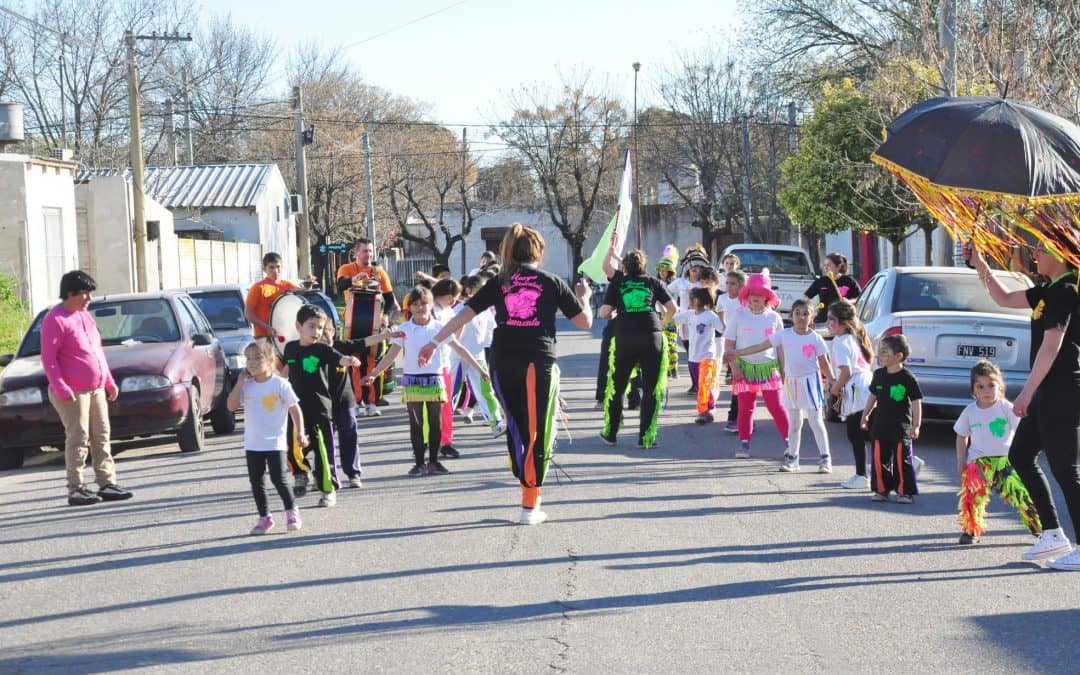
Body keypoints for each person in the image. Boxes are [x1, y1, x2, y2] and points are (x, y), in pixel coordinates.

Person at [418, 223, 593, 525]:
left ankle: (527, 491)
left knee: (517, 426)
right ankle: (530, 504)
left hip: (503, 362)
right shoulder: (551, 281)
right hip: (537, 362)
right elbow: (584, 322)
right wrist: (586, 296)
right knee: (537, 430)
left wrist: (434, 342)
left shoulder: (500, 282)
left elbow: (464, 314)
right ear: (538, 251)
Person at [967, 241, 1080, 568]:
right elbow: (1002, 297)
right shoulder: (1047, 289)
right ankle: (1053, 533)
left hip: (1062, 390)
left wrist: (1027, 392)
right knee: (1020, 454)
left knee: (1064, 468)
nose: (1035, 255)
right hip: (1047, 389)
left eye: (1041, 250)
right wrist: (980, 263)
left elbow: (1051, 346)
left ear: (1061, 253)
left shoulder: (1067, 291)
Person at [365, 288, 488, 476]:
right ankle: (418, 463)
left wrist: (480, 370)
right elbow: (391, 356)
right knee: (416, 424)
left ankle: (434, 461)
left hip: (435, 380)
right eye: (415, 304)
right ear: (410, 307)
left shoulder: (440, 327)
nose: (420, 307)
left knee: (435, 423)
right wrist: (374, 373)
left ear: (431, 305)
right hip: (412, 381)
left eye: (423, 303)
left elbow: (460, 349)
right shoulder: (404, 329)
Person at [41, 270, 133, 506]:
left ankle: (107, 483)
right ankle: (76, 488)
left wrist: (109, 381)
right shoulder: (56, 319)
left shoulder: (85, 317)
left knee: (102, 435)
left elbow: (97, 353)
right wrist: (61, 387)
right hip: (72, 392)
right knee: (78, 437)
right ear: (70, 293)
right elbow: (49, 359)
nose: (89, 299)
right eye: (85, 293)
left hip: (96, 388)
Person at [731, 299, 833, 473]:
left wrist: (833, 382)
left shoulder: (816, 338)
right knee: (794, 423)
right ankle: (793, 458)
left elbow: (824, 363)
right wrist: (737, 352)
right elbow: (760, 346)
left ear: (812, 317)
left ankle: (825, 459)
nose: (801, 317)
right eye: (797, 313)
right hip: (791, 383)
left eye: (806, 314)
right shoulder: (784, 335)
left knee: (816, 422)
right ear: (791, 316)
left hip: (810, 383)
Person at [954, 359, 1041, 544]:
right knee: (972, 497)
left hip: (1005, 461)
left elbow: (1021, 432)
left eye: (991, 385)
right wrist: (961, 460)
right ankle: (971, 531)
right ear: (973, 389)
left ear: (999, 386)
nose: (986, 391)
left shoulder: (1006, 408)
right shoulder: (970, 411)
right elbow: (961, 436)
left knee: (1021, 494)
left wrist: (1024, 455)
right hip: (978, 462)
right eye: (981, 386)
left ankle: (1038, 528)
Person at [283, 304, 362, 507]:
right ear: (298, 326)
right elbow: (286, 372)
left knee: (323, 450)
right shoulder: (290, 348)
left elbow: (338, 358)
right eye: (312, 326)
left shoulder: (323, 349)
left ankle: (329, 489)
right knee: (293, 447)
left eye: (320, 328)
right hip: (296, 409)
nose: (317, 332)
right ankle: (301, 474)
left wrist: (349, 360)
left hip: (320, 408)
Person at [599, 250, 678, 448]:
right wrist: (661, 322)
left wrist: (613, 314)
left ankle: (611, 434)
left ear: (624, 267)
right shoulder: (654, 282)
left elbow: (605, 312)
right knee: (652, 388)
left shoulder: (618, 283)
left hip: (625, 337)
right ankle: (645, 438)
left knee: (616, 386)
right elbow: (673, 309)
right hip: (652, 336)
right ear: (644, 266)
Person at [227, 341, 304, 534]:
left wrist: (300, 433)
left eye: (258, 358)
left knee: (279, 479)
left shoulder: (280, 384)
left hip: (275, 442)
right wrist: (239, 382)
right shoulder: (248, 386)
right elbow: (231, 406)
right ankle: (265, 517)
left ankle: (291, 511)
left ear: (270, 361)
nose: (252, 362)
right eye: (248, 359)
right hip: (253, 443)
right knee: (257, 482)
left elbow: (295, 408)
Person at [320, 322, 397, 488]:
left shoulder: (341, 346)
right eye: (321, 334)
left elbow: (365, 341)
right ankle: (323, 474)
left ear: (334, 331)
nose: (325, 337)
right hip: (323, 403)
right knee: (323, 440)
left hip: (345, 401)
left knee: (349, 436)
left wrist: (385, 335)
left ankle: (353, 474)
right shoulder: (313, 352)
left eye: (328, 332)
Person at [723, 270, 790, 459]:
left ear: (767, 297)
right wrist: (734, 368)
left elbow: (780, 347)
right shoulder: (738, 316)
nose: (755, 296)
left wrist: (784, 371)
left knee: (777, 407)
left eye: (760, 293)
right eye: (751, 292)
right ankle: (744, 445)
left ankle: (790, 444)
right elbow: (729, 345)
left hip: (769, 369)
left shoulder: (774, 318)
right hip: (744, 369)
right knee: (745, 409)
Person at [335, 238, 399, 417]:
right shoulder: (346, 269)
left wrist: (386, 316)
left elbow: (390, 300)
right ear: (356, 253)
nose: (368, 255)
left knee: (372, 362)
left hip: (374, 326)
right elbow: (340, 286)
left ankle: (371, 402)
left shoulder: (379, 272)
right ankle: (355, 402)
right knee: (353, 362)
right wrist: (353, 280)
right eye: (364, 251)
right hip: (352, 325)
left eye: (370, 251)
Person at [859, 335, 923, 503]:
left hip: (901, 426)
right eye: (879, 352)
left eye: (885, 352)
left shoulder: (907, 377)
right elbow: (873, 397)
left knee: (902, 459)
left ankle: (904, 492)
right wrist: (865, 416)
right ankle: (881, 490)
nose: (880, 356)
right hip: (880, 425)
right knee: (880, 458)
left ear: (898, 356)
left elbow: (916, 402)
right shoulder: (879, 374)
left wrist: (916, 425)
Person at [827, 300, 874, 490]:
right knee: (871, 432)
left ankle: (862, 475)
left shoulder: (840, 341)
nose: (829, 323)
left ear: (843, 322)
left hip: (857, 390)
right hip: (865, 386)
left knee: (856, 434)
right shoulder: (853, 337)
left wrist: (835, 388)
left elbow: (845, 371)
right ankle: (862, 473)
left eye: (832, 320)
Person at [455, 275, 506, 437]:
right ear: (469, 291)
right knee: (451, 393)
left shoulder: (486, 312)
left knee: (486, 391)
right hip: (457, 357)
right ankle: (440, 431)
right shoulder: (459, 309)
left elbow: (492, 335)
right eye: (482, 290)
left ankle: (496, 423)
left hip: (477, 357)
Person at [674, 287, 723, 425]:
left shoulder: (710, 316)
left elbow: (722, 329)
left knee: (704, 384)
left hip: (708, 355)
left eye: (692, 298)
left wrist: (723, 316)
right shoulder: (689, 314)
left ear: (699, 300)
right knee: (701, 385)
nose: (690, 300)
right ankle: (710, 406)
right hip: (693, 357)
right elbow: (674, 318)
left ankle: (704, 411)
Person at [668, 245, 708, 393]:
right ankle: (694, 382)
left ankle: (702, 382)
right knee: (690, 352)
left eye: (698, 269)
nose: (695, 271)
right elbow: (665, 289)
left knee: (700, 351)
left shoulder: (704, 283)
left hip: (701, 321)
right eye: (692, 268)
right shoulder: (680, 282)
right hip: (685, 322)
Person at [432, 278, 463, 458]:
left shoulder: (448, 310)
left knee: (447, 406)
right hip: (431, 366)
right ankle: (430, 442)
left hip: (446, 363)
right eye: (451, 298)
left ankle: (446, 441)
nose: (453, 302)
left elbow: (456, 333)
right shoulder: (430, 310)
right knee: (433, 407)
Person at [245, 252, 298, 342]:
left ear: (282, 267)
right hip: (263, 336)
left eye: (278, 267)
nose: (275, 270)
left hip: (285, 335)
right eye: (271, 267)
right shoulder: (257, 287)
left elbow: (302, 298)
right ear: (264, 269)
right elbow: (248, 314)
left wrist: (309, 284)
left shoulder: (287, 285)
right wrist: (267, 328)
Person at [718, 270, 746, 433]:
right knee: (738, 381)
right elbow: (721, 312)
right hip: (731, 346)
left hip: (746, 346)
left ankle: (741, 417)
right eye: (727, 283)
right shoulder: (722, 298)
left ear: (742, 286)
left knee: (744, 383)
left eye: (733, 283)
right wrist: (724, 327)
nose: (729, 286)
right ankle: (734, 417)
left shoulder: (746, 301)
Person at [803, 252, 861, 324]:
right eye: (824, 265)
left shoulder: (849, 281)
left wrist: (849, 302)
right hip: (824, 321)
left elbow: (860, 298)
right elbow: (806, 297)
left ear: (838, 266)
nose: (825, 268)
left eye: (829, 265)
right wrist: (811, 310)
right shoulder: (821, 281)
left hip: (844, 320)